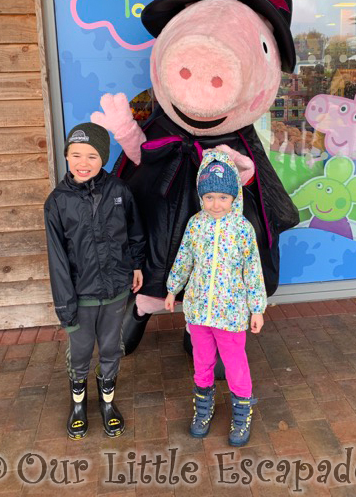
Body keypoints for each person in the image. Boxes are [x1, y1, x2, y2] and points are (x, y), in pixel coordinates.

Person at [44, 122, 145, 440]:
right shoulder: (57, 203)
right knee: (81, 351)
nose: (83, 162)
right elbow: (57, 259)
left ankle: (107, 403)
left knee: (112, 349)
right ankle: (77, 404)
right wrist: (64, 304)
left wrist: (137, 266)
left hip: (115, 290)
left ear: (103, 157)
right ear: (67, 156)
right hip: (80, 295)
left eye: (91, 155)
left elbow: (135, 232)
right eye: (75, 155)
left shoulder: (119, 191)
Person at [164, 149, 267, 446]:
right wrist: (173, 289)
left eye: (223, 197)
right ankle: (203, 410)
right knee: (202, 362)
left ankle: (241, 412)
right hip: (198, 312)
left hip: (232, 313)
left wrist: (256, 309)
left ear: (234, 197)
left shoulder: (243, 230)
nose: (216, 204)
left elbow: (252, 271)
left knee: (235, 365)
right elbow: (184, 258)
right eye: (209, 197)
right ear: (201, 196)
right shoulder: (196, 224)